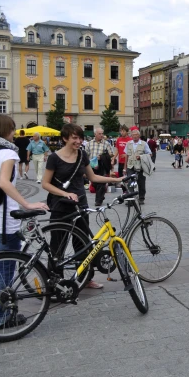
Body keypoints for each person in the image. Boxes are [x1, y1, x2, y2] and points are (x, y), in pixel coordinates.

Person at [0, 116, 49, 328]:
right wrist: (27, 204)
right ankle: (1, 318)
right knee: (5, 273)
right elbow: (4, 183)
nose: (14, 133)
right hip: (4, 223)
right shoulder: (8, 152)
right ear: (6, 130)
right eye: (13, 129)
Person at [42, 123, 122, 290]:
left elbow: (92, 177)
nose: (78, 141)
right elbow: (45, 184)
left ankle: (85, 278)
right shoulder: (54, 158)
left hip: (80, 206)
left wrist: (115, 180)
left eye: (80, 138)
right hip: (60, 206)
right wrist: (65, 194)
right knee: (58, 247)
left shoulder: (82, 155)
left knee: (83, 243)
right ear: (65, 138)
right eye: (74, 138)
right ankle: (55, 282)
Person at [85, 127, 115, 206]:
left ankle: (98, 200)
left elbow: (111, 154)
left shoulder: (106, 143)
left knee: (101, 183)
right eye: (99, 134)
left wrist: (102, 157)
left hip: (102, 166)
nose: (101, 135)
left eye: (102, 133)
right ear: (95, 134)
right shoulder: (89, 144)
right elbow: (85, 155)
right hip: (92, 166)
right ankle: (101, 195)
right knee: (94, 183)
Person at [124, 128, 151, 205]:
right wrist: (124, 168)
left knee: (141, 182)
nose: (135, 136)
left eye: (136, 135)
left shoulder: (144, 144)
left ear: (139, 135)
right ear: (131, 136)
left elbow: (149, 154)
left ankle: (141, 198)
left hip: (141, 166)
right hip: (130, 166)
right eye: (133, 135)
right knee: (130, 183)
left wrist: (141, 156)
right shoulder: (128, 143)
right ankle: (131, 200)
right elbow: (126, 156)